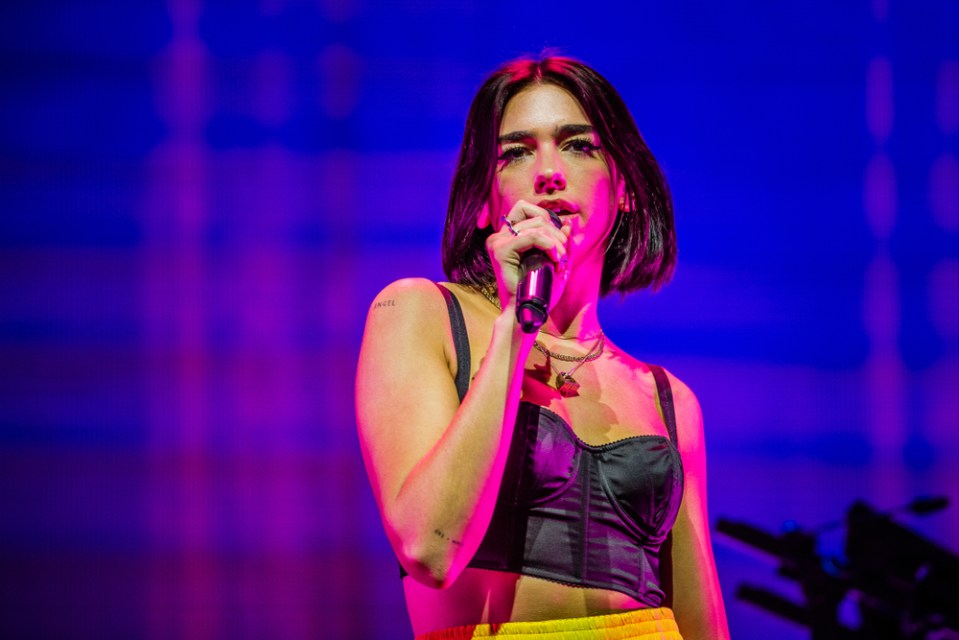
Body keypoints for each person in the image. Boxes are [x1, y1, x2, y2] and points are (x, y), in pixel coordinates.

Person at [356, 56, 729, 640]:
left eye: (579, 146)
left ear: (625, 187)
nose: (549, 173)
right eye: (516, 153)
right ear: (484, 202)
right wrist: (515, 325)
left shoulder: (667, 400)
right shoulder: (419, 314)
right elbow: (429, 548)